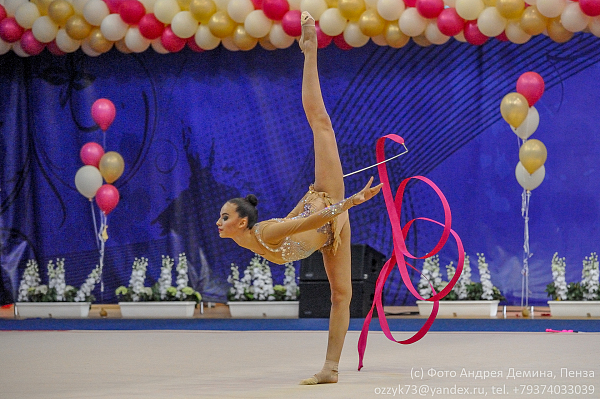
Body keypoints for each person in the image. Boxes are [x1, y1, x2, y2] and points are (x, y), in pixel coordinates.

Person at [216, 11, 383, 385]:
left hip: (327, 202)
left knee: (320, 122)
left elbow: (308, 220)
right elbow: (309, 227)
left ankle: (311, 52)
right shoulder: (249, 239)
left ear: (242, 222)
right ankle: (331, 370)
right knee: (342, 296)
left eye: (224, 217)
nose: (219, 222)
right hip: (330, 234)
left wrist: (349, 203)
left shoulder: (268, 232)